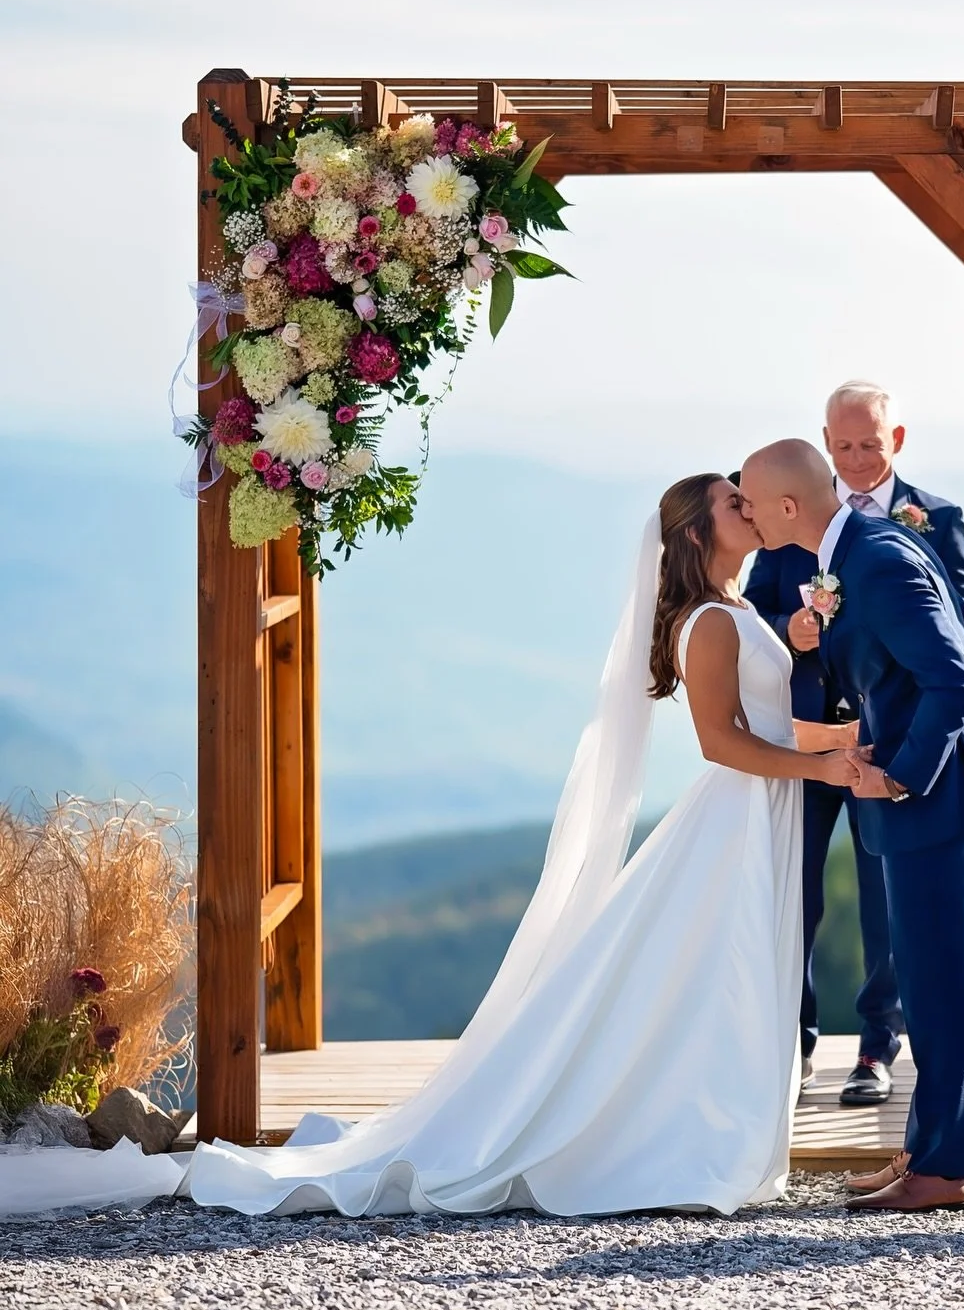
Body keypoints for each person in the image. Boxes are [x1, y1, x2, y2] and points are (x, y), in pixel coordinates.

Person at [0, 475, 862, 1223]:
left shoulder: (738, 609)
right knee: (719, 972)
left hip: (759, 811)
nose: (750, 507)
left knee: (725, 976)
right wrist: (823, 766)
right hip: (734, 818)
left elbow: (771, 724)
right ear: (697, 533)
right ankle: (687, 1147)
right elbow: (722, 743)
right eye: (733, 501)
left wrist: (847, 743)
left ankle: (710, 1135)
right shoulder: (709, 623)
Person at [739, 440, 964, 1212]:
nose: (747, 513)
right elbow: (899, 679)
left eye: (751, 501)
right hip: (907, 793)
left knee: (941, 988)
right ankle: (927, 1150)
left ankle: (945, 1171)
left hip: (932, 798)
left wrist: (898, 774)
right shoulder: (852, 550)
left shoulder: (878, 560)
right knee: (924, 983)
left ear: (788, 507)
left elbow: (952, 680)